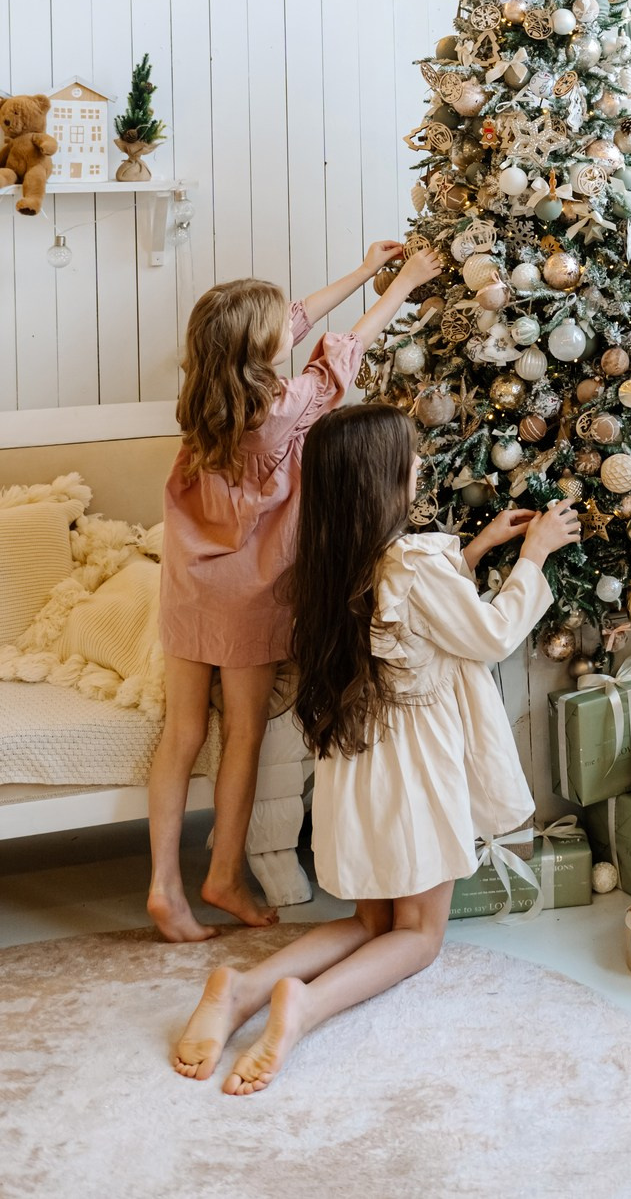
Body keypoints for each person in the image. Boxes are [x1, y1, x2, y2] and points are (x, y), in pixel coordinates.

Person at [170, 404, 579, 1093]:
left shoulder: (332, 568)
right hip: (416, 769)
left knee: (372, 919)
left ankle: (243, 990)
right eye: (411, 458)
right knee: (418, 934)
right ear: (383, 480)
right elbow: (488, 635)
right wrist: (534, 554)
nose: (420, 465)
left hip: (359, 762)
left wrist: (474, 552)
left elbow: (411, 615)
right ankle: (304, 1007)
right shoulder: (416, 563)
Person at [147, 242, 443, 943]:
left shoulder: (205, 397)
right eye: (283, 321)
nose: (297, 319)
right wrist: (402, 280)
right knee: (243, 732)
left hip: (189, 581)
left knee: (182, 733)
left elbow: (302, 319)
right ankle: (221, 873)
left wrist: (365, 267)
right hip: (247, 592)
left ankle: (163, 884)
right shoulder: (285, 406)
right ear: (263, 350)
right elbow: (348, 343)